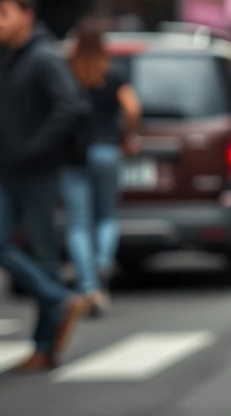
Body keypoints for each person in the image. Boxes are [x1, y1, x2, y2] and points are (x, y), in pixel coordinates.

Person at [0, 0, 92, 372]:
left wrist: (35, 146)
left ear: (27, 15)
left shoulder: (43, 57)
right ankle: (58, 299)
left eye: (3, 13)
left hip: (36, 173)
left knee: (44, 256)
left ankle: (44, 348)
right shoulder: (9, 57)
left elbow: (70, 106)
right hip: (8, 171)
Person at [60, 17, 141, 315]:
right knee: (106, 216)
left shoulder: (67, 73)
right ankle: (103, 265)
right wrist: (129, 136)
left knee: (78, 221)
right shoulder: (112, 73)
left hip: (74, 154)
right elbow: (133, 108)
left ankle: (87, 285)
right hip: (108, 149)